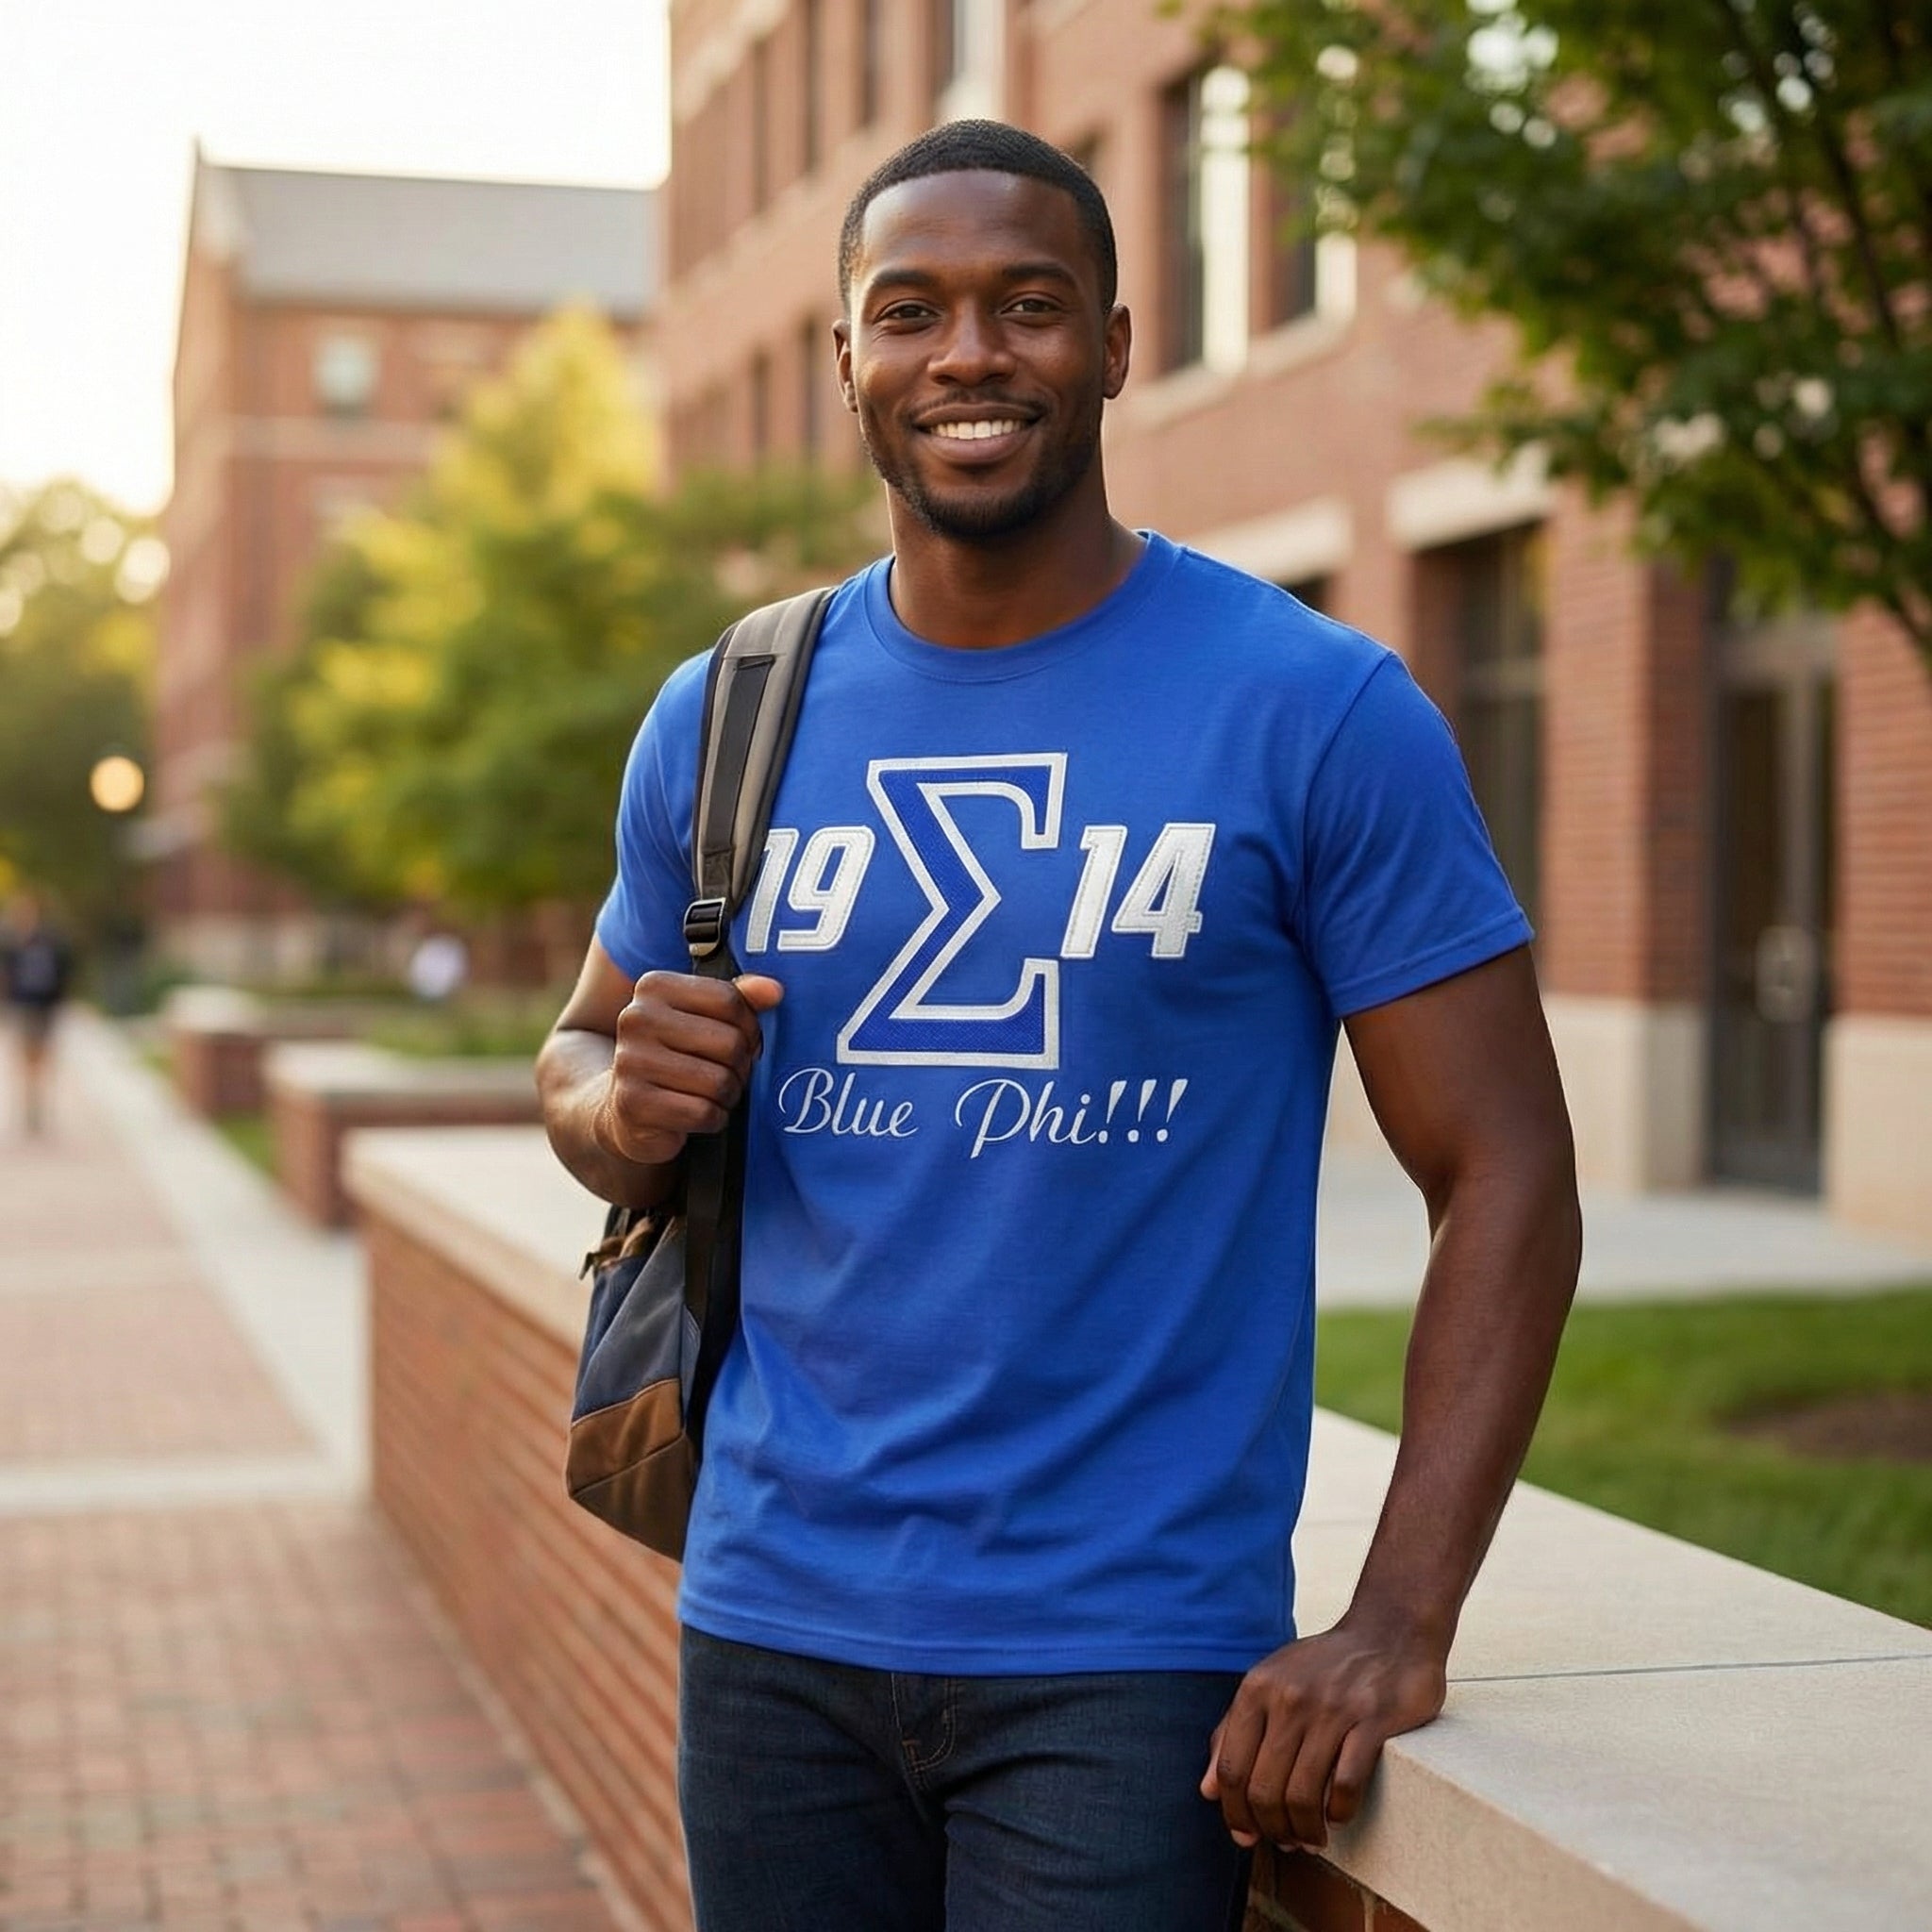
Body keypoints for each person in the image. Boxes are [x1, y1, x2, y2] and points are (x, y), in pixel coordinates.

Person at [540, 121, 1581, 1932]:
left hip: (1124, 1658)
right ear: (847, 359)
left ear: (1108, 346)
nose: (967, 353)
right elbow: (573, 1056)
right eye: (910, 311)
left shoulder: (1313, 707)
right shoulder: (723, 712)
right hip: (767, 1619)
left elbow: (1505, 1169)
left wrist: (1397, 1616)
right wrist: (620, 1106)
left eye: (1026, 305)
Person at [2, 891, 75, 1139]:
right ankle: (29, 1102)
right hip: (22, 1006)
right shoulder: (11, 943)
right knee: (24, 1057)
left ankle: (39, 1100)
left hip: (45, 1006)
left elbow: (63, 969)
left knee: (43, 1057)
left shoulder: (50, 941)